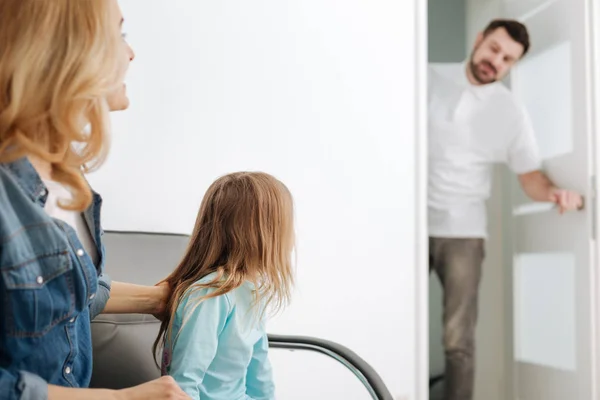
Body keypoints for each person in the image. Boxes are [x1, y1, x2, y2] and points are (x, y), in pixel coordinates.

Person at [0, 0, 189, 399]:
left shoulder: (67, 185)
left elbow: (66, 294)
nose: (131, 52)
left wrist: (160, 297)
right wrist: (120, 398)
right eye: (118, 34)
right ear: (66, 48)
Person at [428, 19, 583, 400]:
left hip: (463, 231)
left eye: (507, 59)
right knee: (397, 319)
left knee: (458, 340)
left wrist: (557, 194)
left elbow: (530, 176)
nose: (496, 61)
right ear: (480, 40)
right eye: (494, 49)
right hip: (406, 225)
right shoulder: (427, 77)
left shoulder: (510, 112)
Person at [154, 172, 295, 400]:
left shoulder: (251, 291)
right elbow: (184, 383)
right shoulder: (211, 296)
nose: (292, 237)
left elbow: (259, 372)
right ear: (260, 234)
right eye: (285, 227)